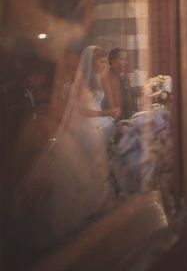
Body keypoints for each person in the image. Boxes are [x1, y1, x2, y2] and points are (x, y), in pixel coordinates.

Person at [10, 46, 118, 251]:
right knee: (70, 180)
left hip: (86, 134)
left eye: (75, 66)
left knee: (86, 176)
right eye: (69, 65)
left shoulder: (84, 85)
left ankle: (87, 221)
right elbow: (71, 114)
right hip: (77, 134)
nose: (73, 69)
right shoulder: (70, 88)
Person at [104, 48, 136, 120]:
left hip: (129, 119)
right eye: (122, 59)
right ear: (112, 61)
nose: (126, 62)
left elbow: (131, 94)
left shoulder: (124, 77)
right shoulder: (107, 79)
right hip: (116, 121)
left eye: (126, 59)